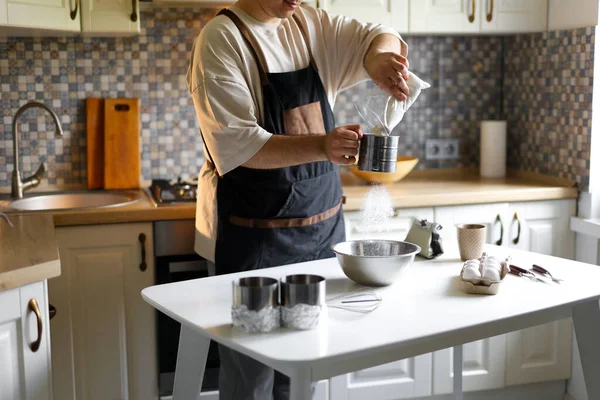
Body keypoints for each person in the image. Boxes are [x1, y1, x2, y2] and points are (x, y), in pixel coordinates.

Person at [186, 0, 410, 398]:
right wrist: (323, 145)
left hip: (318, 235)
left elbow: (378, 35)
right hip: (251, 241)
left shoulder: (307, 24)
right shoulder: (222, 40)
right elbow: (240, 147)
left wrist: (377, 60)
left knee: (304, 370)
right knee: (251, 379)